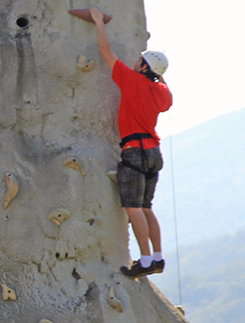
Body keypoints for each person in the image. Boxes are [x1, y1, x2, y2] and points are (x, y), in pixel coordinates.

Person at [90, 7, 173, 278]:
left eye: (140, 60)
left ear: (144, 67)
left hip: (134, 151)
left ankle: (146, 260)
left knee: (133, 209)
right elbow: (166, 91)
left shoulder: (132, 81)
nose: (136, 62)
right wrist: (158, 75)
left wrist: (98, 22)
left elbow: (105, 50)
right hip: (153, 152)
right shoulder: (161, 93)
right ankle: (158, 258)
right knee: (147, 207)